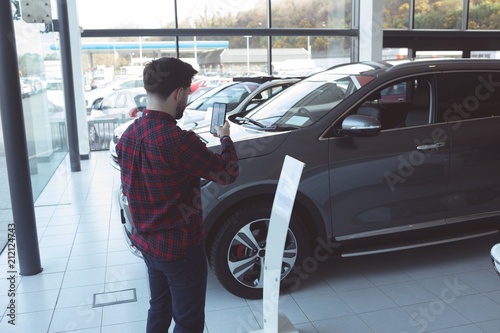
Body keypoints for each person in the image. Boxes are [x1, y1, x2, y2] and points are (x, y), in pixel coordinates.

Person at [116, 57, 239, 333]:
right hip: (180, 250)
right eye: (187, 93)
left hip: (147, 244)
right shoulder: (178, 141)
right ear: (179, 93)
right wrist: (225, 137)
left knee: (159, 307)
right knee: (188, 321)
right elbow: (227, 173)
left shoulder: (128, 135)